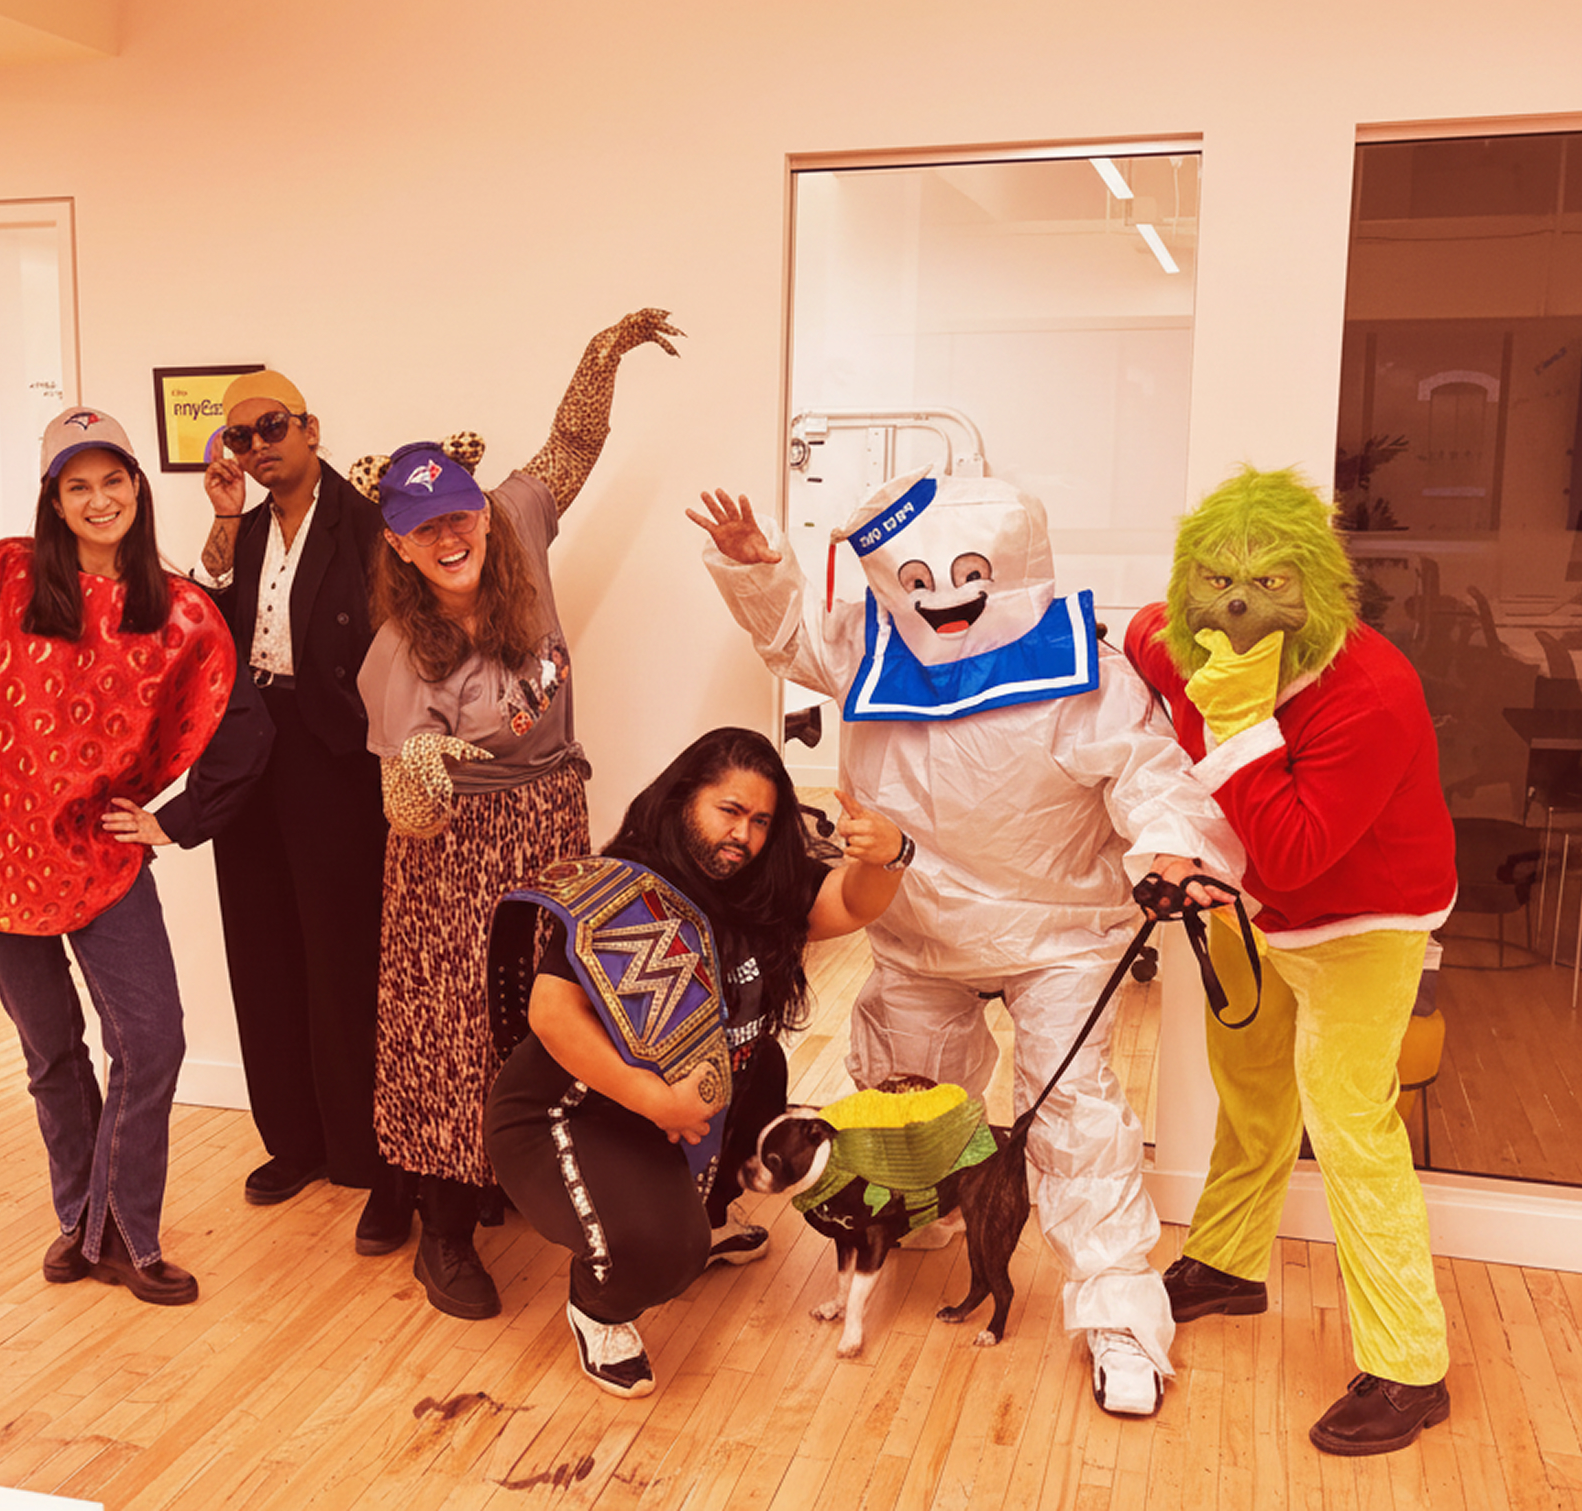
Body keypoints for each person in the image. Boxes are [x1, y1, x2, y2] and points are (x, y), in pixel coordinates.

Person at [693, 470, 1244, 1417]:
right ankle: (920, 1216)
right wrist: (759, 570)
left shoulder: (1087, 671)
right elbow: (791, 638)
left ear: (1017, 566)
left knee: (1074, 1115)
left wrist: (1170, 847)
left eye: (972, 570)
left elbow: (1153, 772)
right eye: (917, 576)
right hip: (912, 926)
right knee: (908, 1100)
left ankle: (1117, 1308)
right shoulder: (874, 645)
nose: (943, 590)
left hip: (1056, 933)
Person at [0, 407, 271, 1305]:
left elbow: (242, 730)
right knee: (52, 1050)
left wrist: (175, 822)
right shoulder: (0, 577)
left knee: (152, 1038)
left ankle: (124, 1231)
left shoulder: (177, 609)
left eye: (114, 479)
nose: (99, 499)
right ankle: (80, 1221)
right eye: (77, 484)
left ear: (137, 486)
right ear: (54, 499)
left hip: (98, 855)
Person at [354, 308, 682, 1319]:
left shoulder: (521, 525)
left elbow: (573, 443)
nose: (450, 535)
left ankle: (517, 1174)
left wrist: (603, 353)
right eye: (424, 529)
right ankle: (443, 1233)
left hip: (550, 828)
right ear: (399, 546)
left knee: (551, 1013)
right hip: (454, 854)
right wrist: (422, 771)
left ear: (482, 511)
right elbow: (405, 813)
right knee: (454, 1028)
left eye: (460, 515)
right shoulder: (399, 658)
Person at [1125, 466, 1457, 1457]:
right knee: (1251, 1083)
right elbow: (1127, 634)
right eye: (1218, 579)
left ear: (1321, 586)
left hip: (1366, 918)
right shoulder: (1178, 640)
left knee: (1349, 1122)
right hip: (1253, 906)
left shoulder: (1373, 692)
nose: (1237, 604)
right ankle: (1227, 1261)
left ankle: (1410, 1364)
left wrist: (1232, 724)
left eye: (1272, 581)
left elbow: (1302, 849)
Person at [483, 726, 908, 1397]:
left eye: (762, 820)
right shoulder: (624, 894)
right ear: (683, 799)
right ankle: (600, 1305)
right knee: (665, 1255)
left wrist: (889, 856)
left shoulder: (760, 894)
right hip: (567, 1112)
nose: (745, 834)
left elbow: (853, 902)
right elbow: (551, 1016)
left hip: (675, 1111)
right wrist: (654, 1100)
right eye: (729, 811)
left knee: (760, 1063)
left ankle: (700, 1219)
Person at [197, 369, 406, 1255]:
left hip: (335, 757)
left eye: (271, 426)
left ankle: (359, 1147)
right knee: (261, 944)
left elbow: (403, 640)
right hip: (250, 751)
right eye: (242, 437)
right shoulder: (240, 534)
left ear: (310, 427)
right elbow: (210, 632)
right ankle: (294, 1141)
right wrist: (217, 518)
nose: (258, 446)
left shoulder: (367, 525)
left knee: (342, 951)